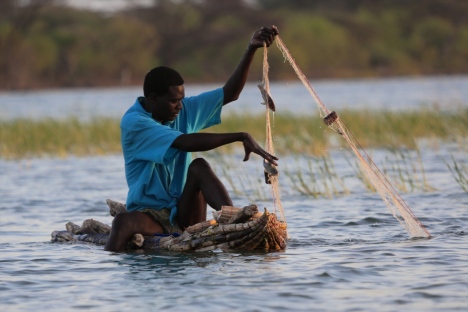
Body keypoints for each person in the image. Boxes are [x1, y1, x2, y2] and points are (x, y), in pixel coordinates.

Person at [105, 26, 279, 252]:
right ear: (153, 99)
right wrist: (239, 136)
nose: (179, 106)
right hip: (150, 217)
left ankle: (235, 221)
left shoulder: (180, 109)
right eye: (173, 101)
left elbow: (229, 93)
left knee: (199, 166)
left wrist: (251, 49)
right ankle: (112, 256)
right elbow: (184, 142)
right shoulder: (135, 123)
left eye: (182, 99)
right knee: (122, 222)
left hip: (184, 211)